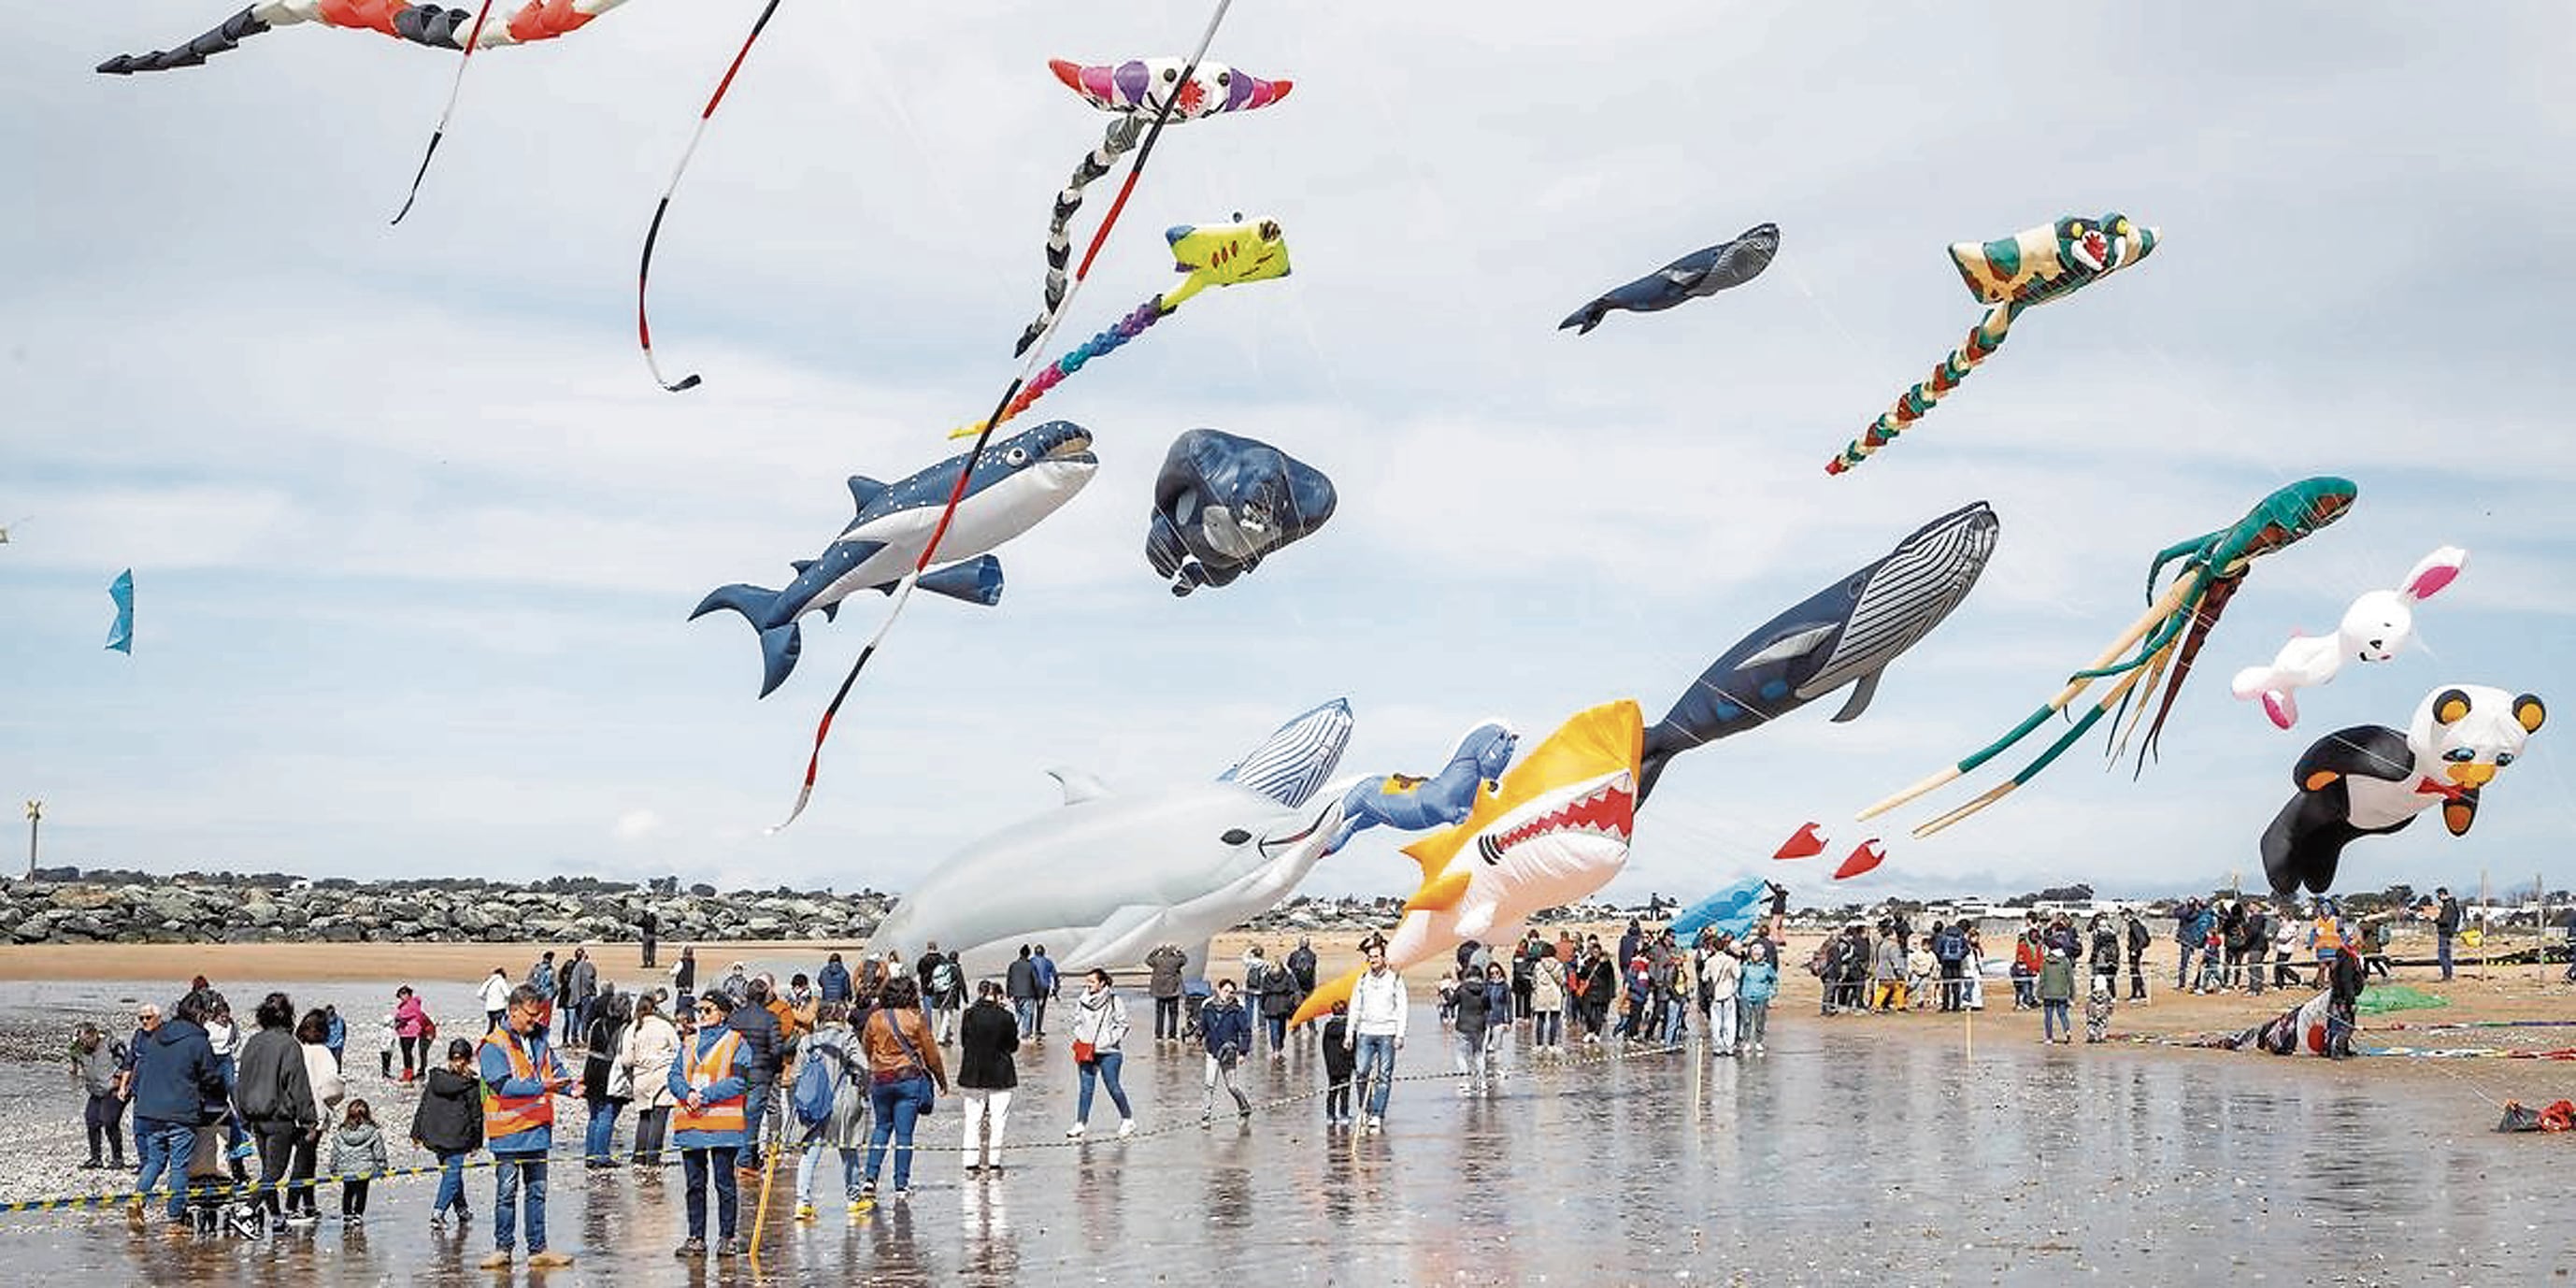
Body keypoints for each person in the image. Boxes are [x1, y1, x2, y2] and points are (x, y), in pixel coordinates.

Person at [478, 982, 576, 1270]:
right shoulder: (493, 1045)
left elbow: (554, 1072)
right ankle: (503, 1248)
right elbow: (503, 1086)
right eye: (531, 1015)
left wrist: (573, 1088)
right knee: (506, 1192)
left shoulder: (540, 1040)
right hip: (508, 1132)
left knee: (537, 1191)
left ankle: (538, 1249)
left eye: (539, 1015)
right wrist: (542, 1086)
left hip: (537, 1130)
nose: (537, 1020)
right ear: (514, 1011)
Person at [131, 993, 223, 1229]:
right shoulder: (198, 1041)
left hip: (149, 1110)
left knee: (154, 1161)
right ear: (201, 1015)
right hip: (180, 1112)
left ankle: (137, 1200)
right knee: (179, 1166)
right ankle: (174, 1215)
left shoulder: (157, 1034)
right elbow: (211, 1077)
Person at [671, 992, 753, 1259]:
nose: (702, 1015)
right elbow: (673, 1075)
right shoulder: (689, 1042)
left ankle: (727, 1237)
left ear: (723, 1013)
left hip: (723, 1126)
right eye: (700, 1010)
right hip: (691, 1125)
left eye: (708, 1010)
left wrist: (704, 1096)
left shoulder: (737, 1042)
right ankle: (696, 1237)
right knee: (694, 1185)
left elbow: (739, 1082)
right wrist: (687, 1094)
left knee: (724, 1184)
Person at [234, 993, 319, 1234]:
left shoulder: (253, 1042)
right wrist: (310, 1120)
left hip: (254, 1117)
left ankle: (277, 1219)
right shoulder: (289, 1045)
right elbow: (298, 1085)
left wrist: (243, 1116)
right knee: (274, 1172)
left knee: (267, 1172)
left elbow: (240, 1082)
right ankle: (246, 1212)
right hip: (278, 1118)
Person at [858, 976, 948, 1201]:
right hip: (908, 1079)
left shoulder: (875, 1018)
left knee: (881, 1128)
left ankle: (870, 1178)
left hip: (881, 1079)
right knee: (904, 1135)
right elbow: (932, 1055)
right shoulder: (916, 1019)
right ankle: (901, 1185)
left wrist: (873, 1070)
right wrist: (942, 1081)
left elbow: (866, 1049)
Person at [792, 999, 871, 1218]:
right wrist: (862, 1090)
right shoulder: (848, 1038)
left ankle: (802, 1202)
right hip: (842, 1103)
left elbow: (795, 1076)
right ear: (841, 1018)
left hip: (814, 1104)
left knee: (809, 1154)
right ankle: (854, 1199)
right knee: (848, 1151)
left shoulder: (807, 1041)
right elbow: (863, 1066)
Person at [410, 1038, 482, 1228]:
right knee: (453, 1174)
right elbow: (476, 1115)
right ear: (469, 1060)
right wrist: (477, 1141)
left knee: (451, 1173)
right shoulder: (471, 1084)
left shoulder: (436, 1078)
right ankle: (438, 1212)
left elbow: (423, 1105)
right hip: (458, 1136)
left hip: (435, 1133)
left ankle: (461, 1209)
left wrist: (416, 1132)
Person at [956, 981, 1019, 1175]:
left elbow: (964, 1041)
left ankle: (970, 1160)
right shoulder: (1006, 1017)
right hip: (1000, 1073)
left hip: (973, 1073)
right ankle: (994, 1160)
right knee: (998, 1120)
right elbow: (1013, 1045)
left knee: (972, 1119)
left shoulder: (969, 1015)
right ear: (999, 995)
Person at [1065, 968, 1136, 1138]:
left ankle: (1127, 1119)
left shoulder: (1114, 1000)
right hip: (1086, 1049)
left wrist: (1110, 1040)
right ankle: (1080, 1123)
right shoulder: (1082, 1000)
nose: (1088, 985)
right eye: (1087, 981)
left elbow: (1123, 1024)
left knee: (1113, 1086)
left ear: (1102, 983)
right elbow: (1076, 1021)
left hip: (1109, 1051)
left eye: (1092, 981)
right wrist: (1081, 1036)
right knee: (1085, 1088)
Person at [291, 1009, 346, 1221]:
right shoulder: (323, 1053)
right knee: (305, 1160)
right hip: (313, 1114)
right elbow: (331, 1087)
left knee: (304, 1159)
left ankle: (309, 1204)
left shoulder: (295, 1049)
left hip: (291, 1111)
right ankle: (293, 1206)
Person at [1347, 942, 1407, 1134]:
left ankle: (1377, 1114)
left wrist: (1400, 1034)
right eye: (1371, 957)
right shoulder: (1363, 979)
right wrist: (1350, 1033)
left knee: (1384, 1075)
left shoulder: (1395, 979)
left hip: (1387, 1033)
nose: (1373, 960)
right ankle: (1365, 1108)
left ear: (1384, 959)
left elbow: (1402, 1008)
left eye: (1377, 956)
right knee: (1362, 1072)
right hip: (1365, 1031)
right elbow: (1355, 1007)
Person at [727, 977, 784, 1176]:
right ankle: (743, 1162)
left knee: (739, 1117)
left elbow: (727, 1047)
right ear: (764, 997)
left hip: (737, 1072)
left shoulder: (734, 1018)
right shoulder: (770, 1018)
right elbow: (777, 1049)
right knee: (752, 1119)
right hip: (761, 1073)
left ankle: (748, 1159)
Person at [622, 993, 680, 1172]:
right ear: (655, 1008)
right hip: (662, 1075)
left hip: (641, 1077)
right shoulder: (664, 1026)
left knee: (644, 1117)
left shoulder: (632, 1028)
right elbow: (678, 1048)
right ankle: (653, 1158)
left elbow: (626, 1060)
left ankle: (639, 1156)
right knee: (659, 1117)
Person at [581, 990, 633, 1167]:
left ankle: (590, 1155)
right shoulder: (625, 1029)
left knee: (594, 1114)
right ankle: (601, 1155)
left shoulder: (596, 1023)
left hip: (590, 1069)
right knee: (607, 1114)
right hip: (608, 1071)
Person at [70, 1023, 129, 1170]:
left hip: (114, 1090)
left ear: (94, 1034)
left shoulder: (112, 1044)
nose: (84, 1043)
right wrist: (74, 1070)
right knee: (91, 1121)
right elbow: (74, 1057)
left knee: (109, 1122)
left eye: (86, 1040)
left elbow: (127, 1062)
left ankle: (118, 1159)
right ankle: (95, 1158)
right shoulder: (78, 1048)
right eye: (81, 1041)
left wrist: (120, 1080)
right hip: (95, 1090)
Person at [1199, 979, 1256, 1120]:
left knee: (1231, 1086)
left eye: (1231, 992)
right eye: (1226, 991)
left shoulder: (1237, 1010)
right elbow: (1203, 1027)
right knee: (1209, 1084)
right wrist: (1198, 1036)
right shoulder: (1208, 1008)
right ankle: (1206, 1114)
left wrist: (1243, 1052)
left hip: (1229, 1053)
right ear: (1218, 990)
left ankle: (1244, 1106)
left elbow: (1246, 1032)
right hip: (1212, 1051)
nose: (1228, 994)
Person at [327, 1099, 387, 1225]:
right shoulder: (373, 1132)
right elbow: (379, 1152)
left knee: (348, 1191)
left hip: (345, 1168)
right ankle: (358, 1214)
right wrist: (382, 1167)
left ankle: (347, 1214)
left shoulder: (341, 1132)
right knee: (362, 1191)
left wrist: (333, 1168)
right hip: (364, 1168)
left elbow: (335, 1152)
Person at [1703, 937, 1742, 1054]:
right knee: (1730, 1022)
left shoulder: (1709, 961)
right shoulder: (1731, 960)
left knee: (1716, 1022)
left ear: (1713, 948)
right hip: (1728, 993)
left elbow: (1704, 978)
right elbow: (1738, 975)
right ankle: (1729, 1047)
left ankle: (1717, 1047)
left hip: (1715, 994)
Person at [1739, 942, 1778, 1056]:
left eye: (1758, 954)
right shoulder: (1745, 966)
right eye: (1754, 954)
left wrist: (1772, 992)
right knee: (1746, 1020)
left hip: (1761, 996)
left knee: (1760, 1020)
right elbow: (1739, 980)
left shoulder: (1767, 968)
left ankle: (1759, 1041)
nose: (1756, 956)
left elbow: (1774, 980)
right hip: (1746, 996)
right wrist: (1738, 993)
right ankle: (1746, 1041)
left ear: (1762, 955)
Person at [1320, 1002, 1356, 1125]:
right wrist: (1355, 1064)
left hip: (1332, 1065)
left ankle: (1330, 1115)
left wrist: (1328, 1062)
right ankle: (1344, 1115)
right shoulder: (1349, 1029)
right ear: (1345, 1011)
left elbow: (1324, 1046)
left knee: (1332, 1091)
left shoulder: (1328, 1027)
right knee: (1345, 1091)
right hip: (1345, 1064)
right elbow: (1353, 1046)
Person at [1256, 953, 1297, 1058]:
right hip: (1283, 1004)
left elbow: (1263, 993)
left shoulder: (1266, 976)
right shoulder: (1287, 975)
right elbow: (1292, 989)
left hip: (1270, 1004)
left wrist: (1261, 1006)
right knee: (1281, 1028)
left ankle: (1276, 1049)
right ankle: (1279, 1046)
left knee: (1274, 1029)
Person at [1146, 943, 1189, 1043]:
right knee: (1173, 1015)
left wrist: (1156, 949)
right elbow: (1185, 960)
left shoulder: (1157, 960)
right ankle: (1172, 1036)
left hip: (1159, 992)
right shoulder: (1176, 961)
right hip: (1173, 992)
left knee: (1160, 1014)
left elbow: (1147, 960)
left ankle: (1159, 1036)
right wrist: (1178, 951)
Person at [1528, 944, 1566, 1053]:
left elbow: (1533, 981)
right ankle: (1551, 1045)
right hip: (1555, 994)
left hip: (1541, 994)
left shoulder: (1538, 966)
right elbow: (1562, 981)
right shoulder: (1559, 965)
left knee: (1540, 1019)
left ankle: (1539, 1045)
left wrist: (1536, 989)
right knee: (1554, 1019)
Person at [2038, 949, 2075, 1045]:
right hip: (2062, 994)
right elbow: (2071, 979)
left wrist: (2039, 994)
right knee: (2063, 1014)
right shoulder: (2065, 962)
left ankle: (2049, 1037)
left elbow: (2042, 979)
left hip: (2048, 994)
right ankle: (2067, 1031)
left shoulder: (2045, 962)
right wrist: (2072, 995)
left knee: (2048, 1017)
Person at [393, 986, 430, 1081]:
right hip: (404, 1032)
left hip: (411, 1032)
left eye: (404, 994)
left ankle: (409, 1074)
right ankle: (407, 1072)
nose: (402, 997)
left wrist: (399, 1019)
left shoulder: (412, 1004)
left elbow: (404, 1016)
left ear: (409, 994)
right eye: (400, 995)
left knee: (407, 1052)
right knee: (405, 1053)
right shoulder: (405, 1004)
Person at [563, 948, 598, 1049]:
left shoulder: (576, 966)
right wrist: (593, 990)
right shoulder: (587, 966)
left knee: (577, 1018)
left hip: (576, 995)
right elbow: (589, 980)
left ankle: (574, 1038)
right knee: (585, 1018)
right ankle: (585, 1039)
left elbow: (571, 982)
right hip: (585, 995)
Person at [1007, 946, 1040, 1038]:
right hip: (1029, 993)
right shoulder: (1031, 965)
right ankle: (1025, 1033)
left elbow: (1009, 980)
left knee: (1018, 1014)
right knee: (1027, 1014)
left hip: (1016, 994)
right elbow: (1036, 981)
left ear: (1020, 953)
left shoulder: (1013, 965)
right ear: (1028, 954)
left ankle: (1015, 1031)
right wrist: (1038, 995)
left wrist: (1009, 994)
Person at [1029, 945, 1060, 1038]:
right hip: (1044, 988)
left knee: (1030, 1009)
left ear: (1035, 952)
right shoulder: (1048, 962)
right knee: (1040, 1009)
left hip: (1032, 988)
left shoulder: (1031, 961)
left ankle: (1029, 1030)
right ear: (1043, 952)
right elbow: (1055, 975)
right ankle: (1038, 1030)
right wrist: (1056, 988)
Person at [2433, 888, 2463, 981]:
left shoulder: (2448, 906)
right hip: (2449, 932)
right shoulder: (2452, 905)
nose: (2438, 898)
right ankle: (2448, 975)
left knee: (2443, 956)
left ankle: (2447, 976)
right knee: (2447, 955)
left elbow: (2445, 920)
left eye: (2438, 895)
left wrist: (2436, 920)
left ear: (2442, 894)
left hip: (2445, 932)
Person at [2124, 911, 2151, 1001]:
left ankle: (2135, 994)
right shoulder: (2134, 924)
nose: (2123, 917)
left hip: (2134, 952)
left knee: (2134, 973)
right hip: (2135, 951)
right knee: (2136, 972)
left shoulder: (2134, 925)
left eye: (2124, 915)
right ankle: (2141, 993)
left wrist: (2135, 950)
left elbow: (2142, 940)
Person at [479, 967, 511, 1034]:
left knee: (491, 1027)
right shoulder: (501, 980)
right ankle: (504, 1041)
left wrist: (488, 1000)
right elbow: (508, 994)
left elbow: (480, 994)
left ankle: (486, 1041)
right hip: (500, 1008)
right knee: (503, 1027)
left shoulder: (488, 981)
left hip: (490, 1009)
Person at [2084, 975, 2115, 1044]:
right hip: (2103, 1012)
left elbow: (2087, 1003)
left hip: (2093, 1011)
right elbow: (2111, 1003)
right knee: (2102, 1024)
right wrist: (2110, 1011)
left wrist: (2087, 1011)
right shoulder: (2107, 993)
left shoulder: (2091, 993)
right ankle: (2101, 1037)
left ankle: (2091, 1036)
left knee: (2091, 1024)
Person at [672, 946, 698, 1013]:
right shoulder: (692, 962)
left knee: (680, 1001)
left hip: (682, 985)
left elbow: (674, 972)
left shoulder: (681, 962)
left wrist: (670, 971)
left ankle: (679, 1012)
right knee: (688, 999)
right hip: (689, 985)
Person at [638, 906, 660, 970]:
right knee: (652, 950)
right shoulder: (653, 919)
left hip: (647, 935)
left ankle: (646, 963)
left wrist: (644, 916)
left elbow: (640, 923)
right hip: (653, 935)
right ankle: (652, 962)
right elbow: (655, 922)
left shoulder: (645, 919)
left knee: (645, 950)